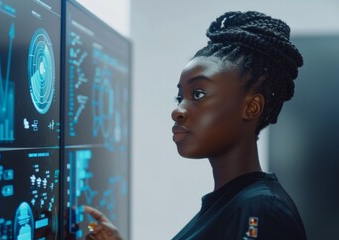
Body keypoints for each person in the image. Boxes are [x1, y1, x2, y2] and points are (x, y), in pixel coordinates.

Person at [84, 10, 307, 240]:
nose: (178, 111)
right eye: (179, 98)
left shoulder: (261, 210)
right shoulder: (230, 204)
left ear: (251, 107)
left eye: (198, 94)